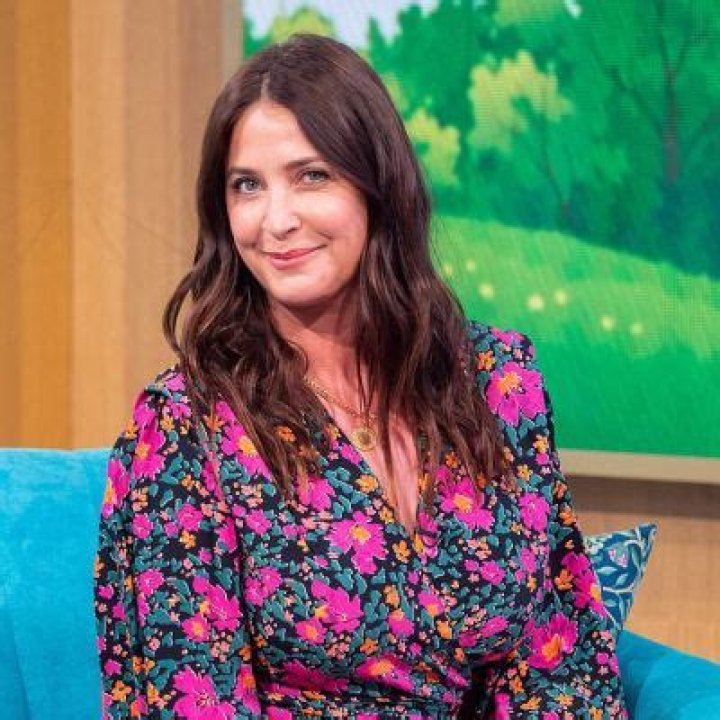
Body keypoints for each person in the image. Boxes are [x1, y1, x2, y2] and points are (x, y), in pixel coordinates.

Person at [94, 34, 627, 720]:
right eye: (247, 185)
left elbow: (562, 657)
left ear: (378, 186)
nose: (276, 221)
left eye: (311, 176)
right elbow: (189, 698)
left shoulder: (499, 381)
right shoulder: (182, 427)